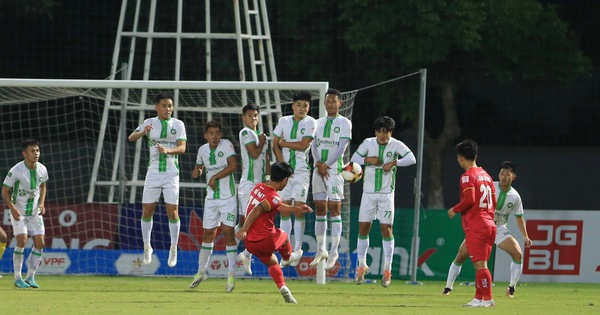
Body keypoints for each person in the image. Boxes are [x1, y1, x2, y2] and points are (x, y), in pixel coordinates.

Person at [443, 161, 532, 297]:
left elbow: (519, 217)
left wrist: (525, 236)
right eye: (502, 174)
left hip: (499, 229)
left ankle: (511, 287)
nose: (503, 177)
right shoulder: (490, 186)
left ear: (513, 177)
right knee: (461, 255)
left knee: (518, 254)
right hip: (482, 226)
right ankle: (448, 287)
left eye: (507, 174)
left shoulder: (515, 197)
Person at [349, 116, 416, 287]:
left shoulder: (396, 145)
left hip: (386, 194)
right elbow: (353, 159)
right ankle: (361, 266)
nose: (383, 135)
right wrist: (368, 160)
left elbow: (412, 158)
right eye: (380, 132)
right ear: (375, 132)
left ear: (390, 133)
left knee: (386, 229)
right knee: (363, 228)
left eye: (386, 132)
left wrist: (394, 163)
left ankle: (387, 269)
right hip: (368, 194)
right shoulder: (368, 143)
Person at [235, 162, 313, 304]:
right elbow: (258, 209)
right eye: (287, 180)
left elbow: (276, 205)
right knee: (283, 234)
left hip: (251, 244)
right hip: (266, 240)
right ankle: (288, 257)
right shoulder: (273, 196)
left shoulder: (258, 187)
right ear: (284, 180)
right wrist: (244, 229)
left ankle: (283, 287)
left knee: (272, 262)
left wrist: (296, 209)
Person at [128, 92, 187, 268]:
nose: (167, 109)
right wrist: (142, 133)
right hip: (153, 173)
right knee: (147, 210)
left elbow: (183, 148)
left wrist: (168, 151)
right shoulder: (149, 123)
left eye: (170, 106)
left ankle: (173, 248)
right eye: (164, 105)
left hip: (171, 174)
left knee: (173, 212)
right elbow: (131, 137)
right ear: (157, 107)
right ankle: (147, 247)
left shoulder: (178, 124)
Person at [189, 120, 239, 292]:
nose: (215, 136)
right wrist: (198, 172)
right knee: (208, 233)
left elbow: (233, 166)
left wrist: (214, 177)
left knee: (227, 232)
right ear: (206, 136)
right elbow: (199, 167)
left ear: (221, 135)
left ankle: (231, 274)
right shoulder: (202, 150)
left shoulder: (226, 145)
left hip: (228, 198)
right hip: (211, 198)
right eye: (211, 133)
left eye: (218, 133)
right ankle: (201, 271)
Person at [447, 139, 497, 307]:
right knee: (480, 263)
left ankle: (488, 299)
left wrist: (455, 209)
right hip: (489, 223)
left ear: (460, 158)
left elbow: (470, 199)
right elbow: (494, 201)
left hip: (478, 225)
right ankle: (478, 299)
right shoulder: (487, 176)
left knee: (480, 264)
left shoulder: (467, 176)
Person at [309, 88, 352, 270]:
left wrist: (326, 164)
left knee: (335, 208)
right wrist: (319, 163)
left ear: (339, 103)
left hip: (334, 170)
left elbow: (342, 147)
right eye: (327, 101)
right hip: (318, 169)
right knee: (320, 207)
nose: (330, 104)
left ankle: (334, 251)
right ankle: (321, 250)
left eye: (333, 101)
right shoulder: (316, 123)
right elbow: (313, 144)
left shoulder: (344, 123)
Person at [272, 91, 316, 265]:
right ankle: (286, 249)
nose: (302, 108)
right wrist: (282, 163)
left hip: (301, 172)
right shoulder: (283, 121)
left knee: (298, 208)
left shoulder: (311, 122)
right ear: (292, 106)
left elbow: (304, 145)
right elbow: (275, 144)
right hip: (285, 173)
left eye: (305, 106)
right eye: (299, 105)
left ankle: (298, 248)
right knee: (283, 210)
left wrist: (284, 143)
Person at [2, 139, 49, 288]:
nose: (36, 154)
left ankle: (30, 277)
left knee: (40, 243)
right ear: (24, 153)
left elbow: (43, 186)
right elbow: (5, 191)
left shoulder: (42, 169)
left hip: (34, 212)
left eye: (37, 151)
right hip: (19, 212)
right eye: (32, 151)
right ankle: (17, 277)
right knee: (22, 240)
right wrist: (13, 209)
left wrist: (41, 203)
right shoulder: (16, 170)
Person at [236, 104, 270, 276]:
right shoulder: (245, 133)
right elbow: (255, 154)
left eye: (255, 115)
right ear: (244, 118)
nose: (253, 118)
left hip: (260, 184)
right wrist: (263, 142)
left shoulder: (259, 135)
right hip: (248, 183)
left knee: (252, 222)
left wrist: (269, 179)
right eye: (249, 115)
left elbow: (265, 157)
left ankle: (245, 253)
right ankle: (240, 250)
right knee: (248, 222)